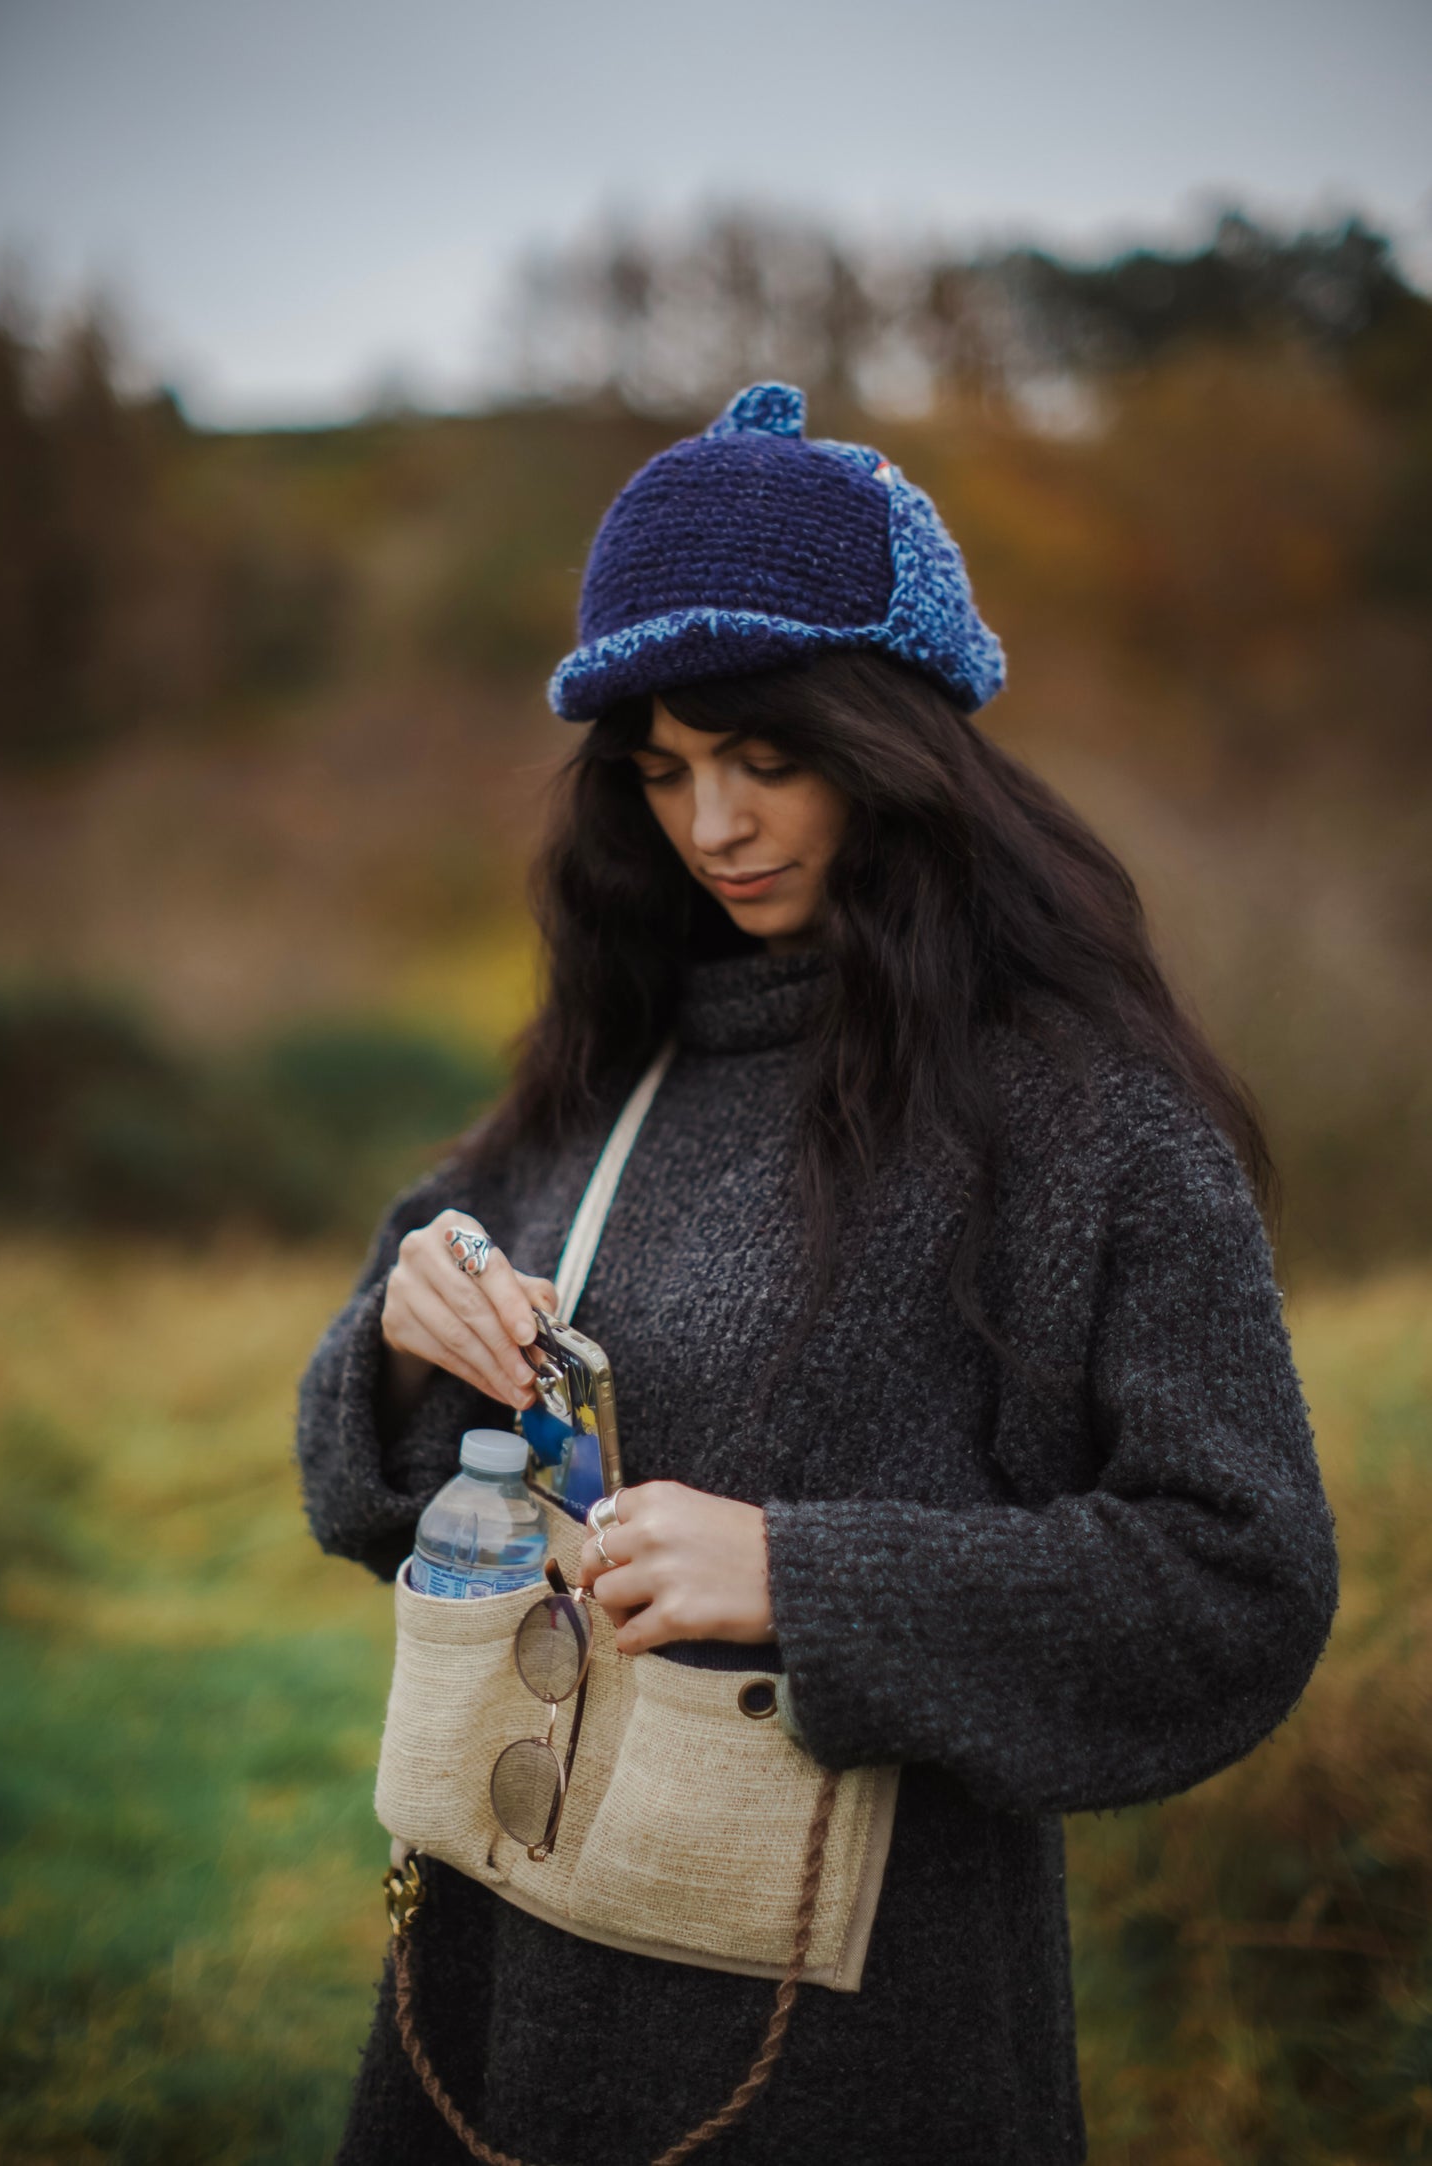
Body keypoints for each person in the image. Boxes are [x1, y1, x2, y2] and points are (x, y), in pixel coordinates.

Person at [297, 381, 1338, 2166]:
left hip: (861, 2036)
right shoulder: (617, 1053)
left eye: (765, 758)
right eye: (664, 773)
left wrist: (801, 1569)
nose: (711, 826)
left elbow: (1236, 1577)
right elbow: (365, 1453)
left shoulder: (1080, 1109)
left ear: (898, 738)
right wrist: (404, 1335)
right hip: (495, 1975)